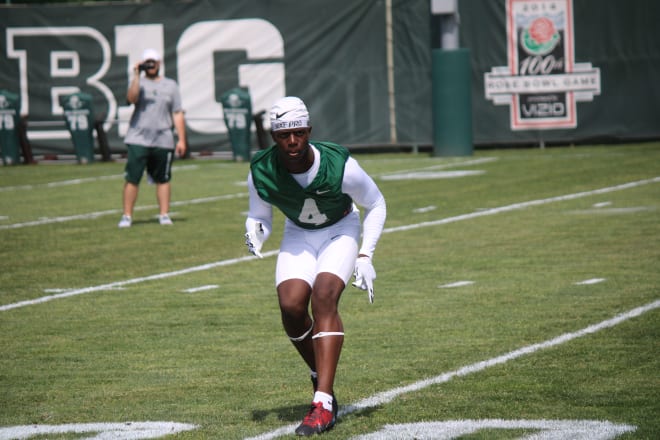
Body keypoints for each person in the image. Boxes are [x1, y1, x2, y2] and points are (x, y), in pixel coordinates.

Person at [244, 96, 386, 435]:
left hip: (340, 229)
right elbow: (259, 214)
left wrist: (366, 254)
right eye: (283, 136)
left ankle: (322, 401)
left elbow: (376, 204)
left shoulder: (339, 165)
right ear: (272, 137)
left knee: (323, 297)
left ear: (309, 131)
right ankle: (319, 374)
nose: (292, 142)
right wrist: (256, 232)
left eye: (299, 133)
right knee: (292, 306)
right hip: (299, 233)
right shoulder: (261, 168)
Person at [118, 48, 187, 228]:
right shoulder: (138, 83)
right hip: (138, 137)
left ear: (159, 64)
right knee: (132, 177)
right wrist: (135, 74)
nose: (151, 66)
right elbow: (131, 98)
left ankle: (164, 214)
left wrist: (181, 139)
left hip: (163, 138)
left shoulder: (170, 85)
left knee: (163, 178)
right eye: (148, 62)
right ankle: (127, 215)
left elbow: (177, 112)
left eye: (154, 62)